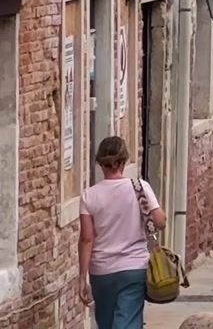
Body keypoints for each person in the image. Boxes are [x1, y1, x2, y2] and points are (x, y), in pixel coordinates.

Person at [78, 136, 164, 329]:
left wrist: (82, 277)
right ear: (124, 160)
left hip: (102, 272)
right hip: (134, 268)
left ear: (100, 163)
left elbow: (86, 239)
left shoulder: (89, 196)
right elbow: (160, 222)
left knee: (106, 324)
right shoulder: (139, 187)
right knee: (128, 322)